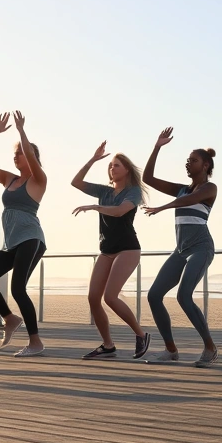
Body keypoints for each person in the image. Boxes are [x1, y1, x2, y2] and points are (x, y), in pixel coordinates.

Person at [0, 112, 49, 357]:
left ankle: (35, 342)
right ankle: (10, 318)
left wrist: (22, 131)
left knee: (17, 289)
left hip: (31, 238)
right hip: (12, 242)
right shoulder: (8, 179)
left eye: (20, 152)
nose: (16, 156)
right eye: (14, 153)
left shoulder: (38, 180)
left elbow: (30, 156)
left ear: (31, 156)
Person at [141, 127, 219, 368]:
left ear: (205, 165)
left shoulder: (209, 189)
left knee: (184, 296)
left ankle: (210, 347)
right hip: (181, 250)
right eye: (187, 160)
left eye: (193, 160)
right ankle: (171, 350)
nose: (188, 163)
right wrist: (157, 147)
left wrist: (163, 207)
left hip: (201, 248)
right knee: (154, 295)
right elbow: (148, 178)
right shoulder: (181, 189)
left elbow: (188, 200)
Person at [71, 141, 151, 360]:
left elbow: (120, 211)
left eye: (116, 165)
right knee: (93, 298)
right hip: (106, 249)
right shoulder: (104, 191)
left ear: (127, 170)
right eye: (110, 165)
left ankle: (141, 335)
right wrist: (93, 159)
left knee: (110, 297)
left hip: (128, 249)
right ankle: (108, 346)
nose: (112, 168)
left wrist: (94, 207)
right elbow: (76, 182)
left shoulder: (133, 192)